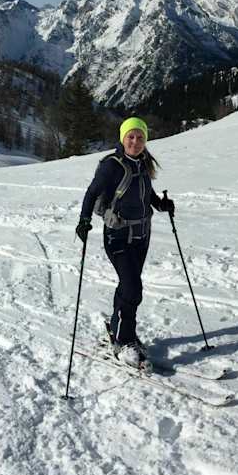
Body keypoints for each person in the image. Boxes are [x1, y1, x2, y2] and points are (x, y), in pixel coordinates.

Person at [76, 117, 174, 367]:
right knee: (133, 287)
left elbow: (147, 194)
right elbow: (91, 192)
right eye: (131, 136)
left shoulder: (143, 163)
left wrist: (161, 204)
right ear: (122, 138)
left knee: (129, 285)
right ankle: (125, 339)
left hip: (142, 235)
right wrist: (84, 220)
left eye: (140, 137)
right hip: (117, 236)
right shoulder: (111, 165)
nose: (135, 141)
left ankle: (118, 327)